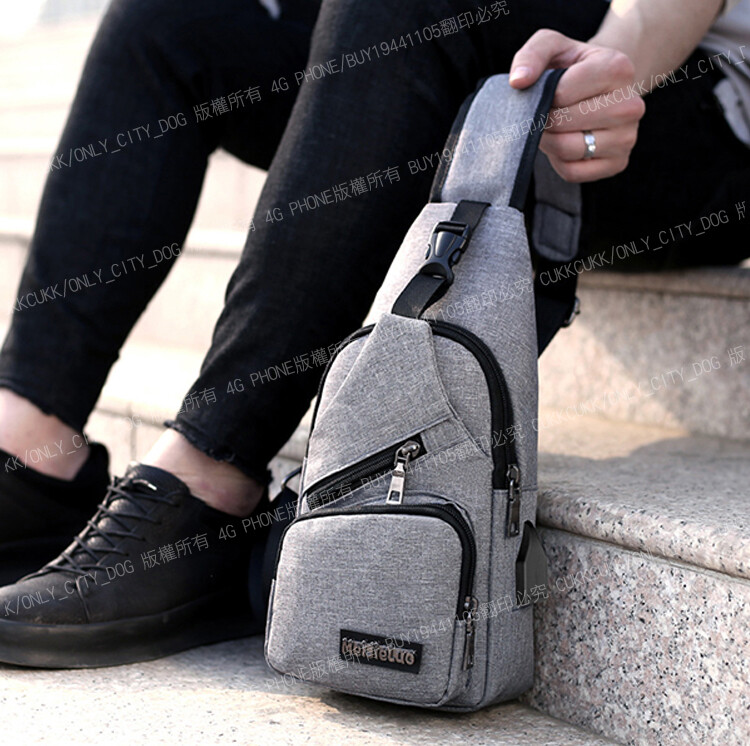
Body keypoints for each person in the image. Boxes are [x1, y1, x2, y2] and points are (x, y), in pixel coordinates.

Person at [0, 0, 747, 667]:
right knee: (166, 22)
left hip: (691, 105)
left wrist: (614, 68)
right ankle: (32, 453)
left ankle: (210, 474)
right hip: (485, 60)